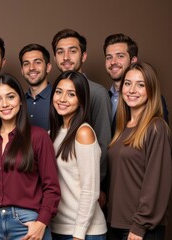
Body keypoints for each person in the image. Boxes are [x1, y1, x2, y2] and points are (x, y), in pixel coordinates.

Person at [0, 73, 60, 240]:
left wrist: (41, 223)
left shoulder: (38, 137)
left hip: (28, 226)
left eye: (10, 97)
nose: (4, 104)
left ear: (20, 100)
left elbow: (52, 187)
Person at [107, 62, 171, 240]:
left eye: (140, 84)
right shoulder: (121, 128)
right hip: (115, 223)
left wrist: (140, 226)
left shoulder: (156, 127)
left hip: (139, 229)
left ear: (151, 89)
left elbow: (156, 182)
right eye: (128, 83)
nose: (132, 90)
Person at [52, 29, 112, 207]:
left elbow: (103, 143)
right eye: (60, 52)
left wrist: (98, 187)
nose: (66, 57)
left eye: (73, 51)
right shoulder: (56, 96)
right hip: (63, 195)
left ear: (83, 56)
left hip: (87, 192)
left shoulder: (97, 93)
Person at [49, 71, 107, 240]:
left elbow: (91, 190)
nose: (62, 99)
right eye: (59, 92)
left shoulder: (84, 132)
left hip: (84, 232)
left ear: (81, 100)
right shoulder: (53, 134)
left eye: (71, 94)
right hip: (58, 227)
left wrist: (79, 234)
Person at [103, 33, 169, 132]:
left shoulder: (151, 99)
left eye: (120, 56)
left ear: (133, 60)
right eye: (109, 57)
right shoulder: (103, 97)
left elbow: (159, 138)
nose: (113, 62)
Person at [19, 43, 53, 131]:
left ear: (48, 67)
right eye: (26, 64)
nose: (31, 68)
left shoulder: (59, 99)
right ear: (22, 71)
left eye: (37, 62)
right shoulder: (18, 102)